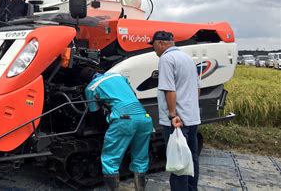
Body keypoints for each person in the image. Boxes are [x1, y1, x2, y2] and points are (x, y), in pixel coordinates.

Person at [81, 69, 153, 191]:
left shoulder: (91, 87)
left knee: (110, 159)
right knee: (140, 157)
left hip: (124, 120)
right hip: (144, 117)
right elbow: (133, 95)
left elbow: (95, 114)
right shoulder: (118, 76)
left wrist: (102, 127)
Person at [149, 30, 200, 191]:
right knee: (192, 157)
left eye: (154, 46)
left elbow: (169, 89)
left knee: (178, 160)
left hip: (177, 120)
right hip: (191, 117)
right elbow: (197, 88)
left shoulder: (166, 59)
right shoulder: (188, 59)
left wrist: (173, 115)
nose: (154, 50)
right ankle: (192, 189)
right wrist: (190, 108)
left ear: (161, 43)